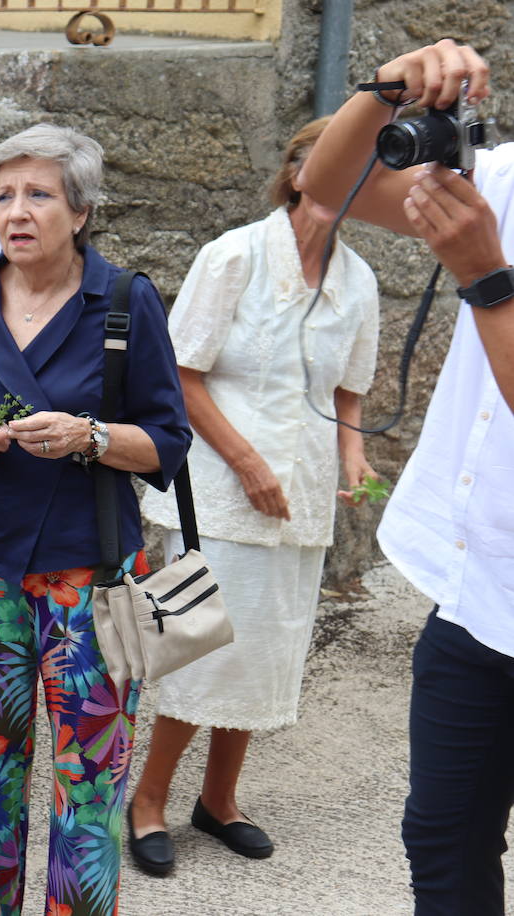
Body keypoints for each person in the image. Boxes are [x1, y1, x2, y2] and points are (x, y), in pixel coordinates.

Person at [0, 124, 191, 915]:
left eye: (38, 194)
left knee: (90, 787)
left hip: (96, 576)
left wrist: (92, 436)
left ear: (80, 211)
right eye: (4, 195)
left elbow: (168, 439)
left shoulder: (127, 301)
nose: (17, 211)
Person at [127, 117, 380, 875]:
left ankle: (220, 800)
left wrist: (354, 450)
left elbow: (349, 390)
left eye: (357, 174)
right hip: (215, 491)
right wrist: (245, 461)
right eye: (329, 169)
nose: (341, 185)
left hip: (298, 498)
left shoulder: (359, 280)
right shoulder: (233, 254)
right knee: (191, 649)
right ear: (298, 174)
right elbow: (181, 372)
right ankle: (146, 802)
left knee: (265, 655)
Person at [298, 40, 514, 915]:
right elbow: (330, 185)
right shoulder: (504, 179)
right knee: (443, 835)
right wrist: (383, 87)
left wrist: (486, 278)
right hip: (480, 593)